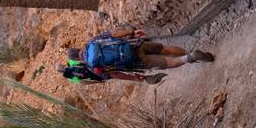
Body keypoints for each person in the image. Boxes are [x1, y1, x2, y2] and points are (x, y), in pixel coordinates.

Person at [59, 24, 214, 84]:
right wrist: (131, 32)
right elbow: (113, 33)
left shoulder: (94, 67)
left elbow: (117, 74)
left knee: (167, 62)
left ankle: (190, 57)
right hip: (134, 44)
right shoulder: (93, 41)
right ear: (78, 48)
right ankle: (190, 52)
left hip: (135, 61)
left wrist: (141, 79)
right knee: (164, 49)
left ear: (76, 60)